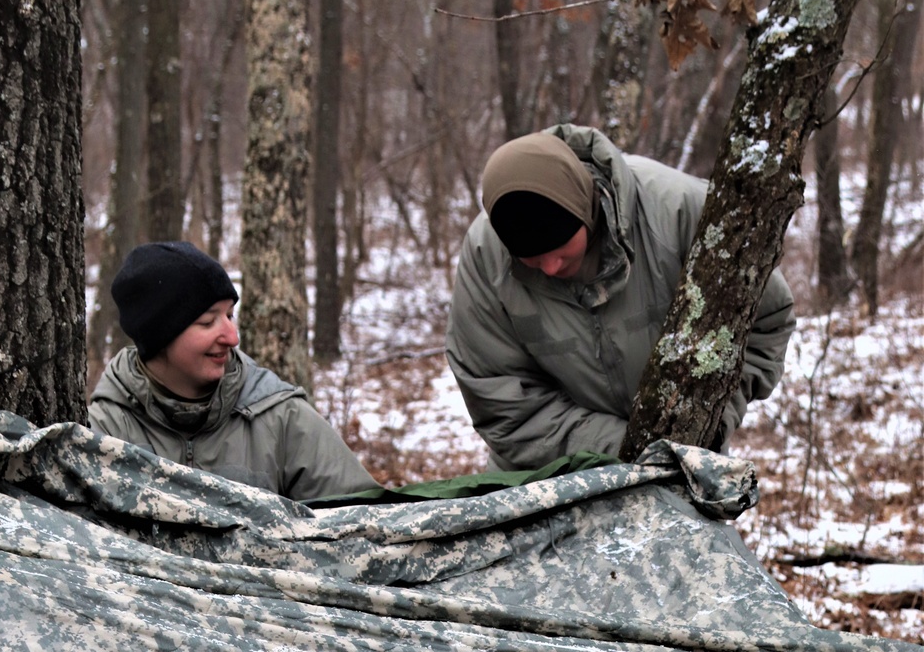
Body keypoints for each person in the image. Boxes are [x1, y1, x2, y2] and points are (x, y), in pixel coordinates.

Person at [446, 125, 796, 467]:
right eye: (532, 259)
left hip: (685, 462)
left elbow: (765, 321)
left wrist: (710, 417)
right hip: (550, 471)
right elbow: (500, 399)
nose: (550, 267)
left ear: (586, 207)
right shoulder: (486, 257)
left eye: (561, 250)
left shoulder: (681, 212)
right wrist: (626, 450)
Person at [89, 241, 377, 500]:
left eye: (229, 316)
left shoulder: (280, 418)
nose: (232, 337)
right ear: (158, 335)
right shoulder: (106, 428)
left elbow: (366, 525)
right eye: (207, 321)